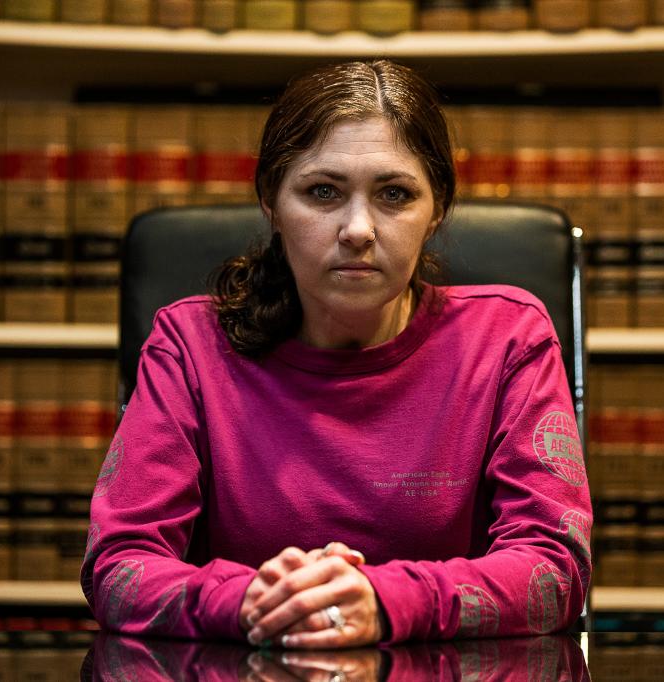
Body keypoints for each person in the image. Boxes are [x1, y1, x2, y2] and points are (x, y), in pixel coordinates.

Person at [81, 59, 592, 649]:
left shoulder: (508, 337)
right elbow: (118, 566)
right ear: (271, 201)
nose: (357, 229)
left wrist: (384, 600)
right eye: (322, 192)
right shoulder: (190, 346)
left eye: (394, 194)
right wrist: (247, 601)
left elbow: (555, 570)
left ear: (439, 209)